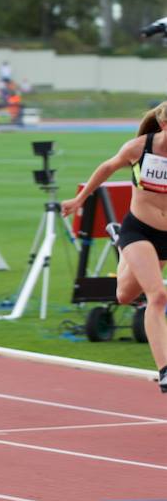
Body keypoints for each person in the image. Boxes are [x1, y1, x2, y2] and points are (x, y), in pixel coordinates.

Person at [61, 101, 167, 394]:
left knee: (124, 295)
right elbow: (107, 167)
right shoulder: (139, 148)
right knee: (157, 295)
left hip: (165, 237)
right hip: (140, 230)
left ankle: (120, 246)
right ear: (164, 126)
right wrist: (80, 200)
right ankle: (165, 370)